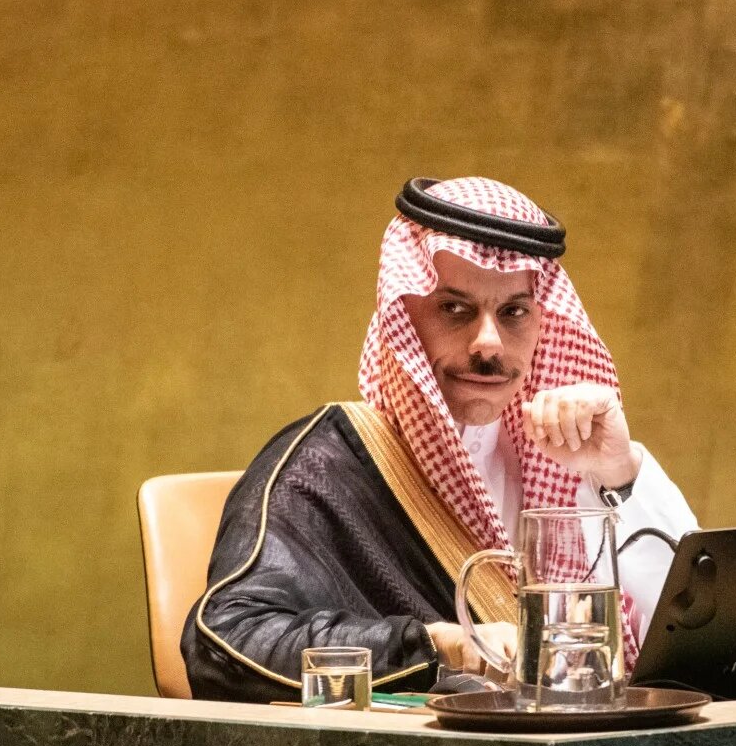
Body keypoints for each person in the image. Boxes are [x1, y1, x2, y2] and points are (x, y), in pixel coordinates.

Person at [183, 177, 697, 702]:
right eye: (455, 309)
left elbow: (693, 646)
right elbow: (225, 646)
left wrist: (620, 472)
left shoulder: (566, 459)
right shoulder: (325, 467)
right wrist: (440, 647)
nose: (489, 343)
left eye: (514, 312)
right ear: (402, 318)